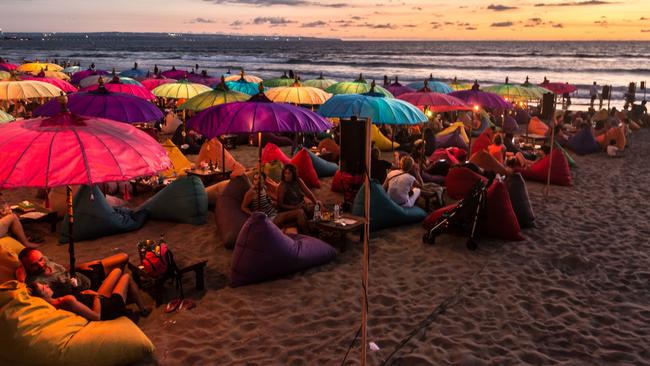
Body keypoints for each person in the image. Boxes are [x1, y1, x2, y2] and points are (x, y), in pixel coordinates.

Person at [28, 266, 149, 321]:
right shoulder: (65, 300)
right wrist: (95, 295)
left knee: (116, 271)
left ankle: (130, 297)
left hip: (94, 299)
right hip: (107, 306)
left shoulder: (55, 303)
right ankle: (143, 309)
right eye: (44, 288)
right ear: (42, 298)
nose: (47, 285)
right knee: (126, 277)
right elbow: (96, 316)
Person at [17, 248, 129, 298]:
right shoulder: (36, 283)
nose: (41, 264)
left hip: (82, 274)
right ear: (26, 267)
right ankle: (118, 294)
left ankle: (118, 289)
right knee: (119, 273)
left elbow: (61, 267)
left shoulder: (42, 258)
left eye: (41, 260)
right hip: (87, 290)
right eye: (34, 265)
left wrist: (80, 266)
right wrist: (21, 279)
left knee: (123, 257)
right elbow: (23, 296)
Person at [241, 171, 309, 233]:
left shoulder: (264, 188)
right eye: (255, 179)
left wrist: (277, 203)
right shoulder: (251, 193)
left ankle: (307, 231)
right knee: (299, 213)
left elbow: (269, 201)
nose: (257, 182)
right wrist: (253, 214)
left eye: (260, 179)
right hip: (270, 218)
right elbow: (243, 207)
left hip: (275, 212)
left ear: (264, 181)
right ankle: (308, 234)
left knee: (300, 212)